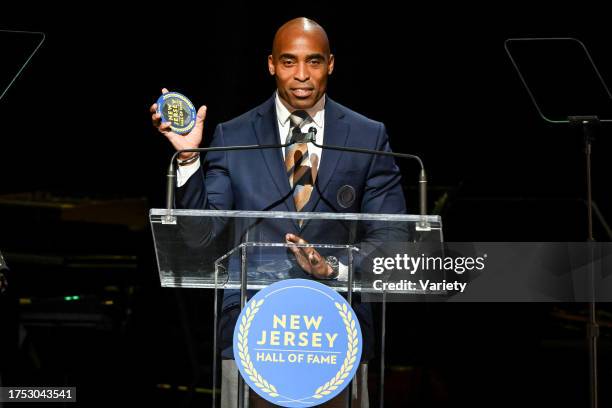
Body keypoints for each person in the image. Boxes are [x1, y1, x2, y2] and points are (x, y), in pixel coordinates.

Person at [151, 17, 406, 408]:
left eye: (313, 62)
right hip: (254, 332)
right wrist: (188, 157)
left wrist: (334, 269)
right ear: (271, 64)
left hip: (338, 331)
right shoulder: (233, 137)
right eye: (289, 62)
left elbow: (392, 238)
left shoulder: (367, 136)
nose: (301, 75)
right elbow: (202, 236)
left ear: (331, 64)